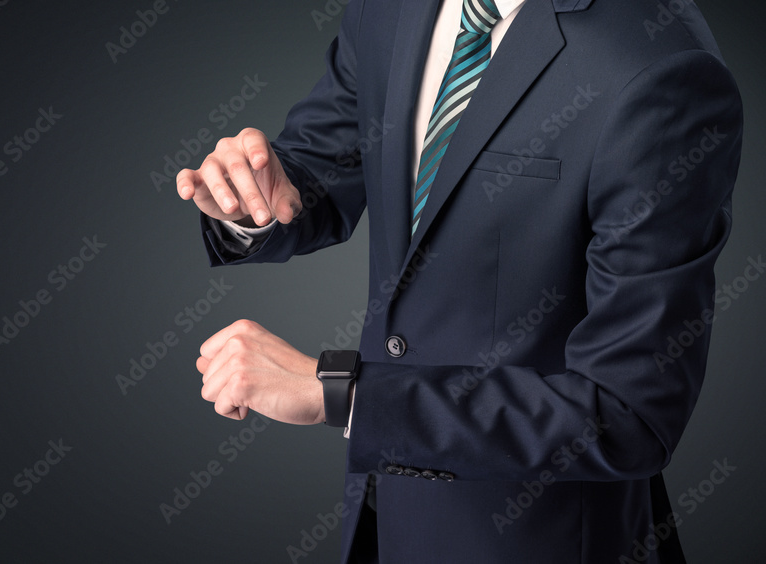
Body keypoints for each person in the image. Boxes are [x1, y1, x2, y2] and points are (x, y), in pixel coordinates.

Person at [176, 0, 743, 561]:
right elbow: (326, 164)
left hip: (534, 540)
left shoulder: (661, 67)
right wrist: (249, 199)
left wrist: (342, 393)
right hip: (380, 519)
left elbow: (626, 414)